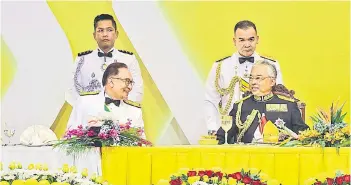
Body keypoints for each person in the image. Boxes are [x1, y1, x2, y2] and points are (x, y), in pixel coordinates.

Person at [205, 20, 284, 133]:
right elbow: (210, 99)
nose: (247, 44)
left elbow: (279, 99)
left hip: (263, 129)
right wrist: (212, 128)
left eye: (251, 39)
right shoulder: (220, 66)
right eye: (241, 40)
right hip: (229, 128)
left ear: (257, 39)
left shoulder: (272, 64)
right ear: (234, 41)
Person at [216, 60, 309, 144]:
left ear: (272, 81)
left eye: (258, 78)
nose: (253, 82)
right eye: (251, 78)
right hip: (247, 158)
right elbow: (223, 136)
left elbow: (303, 135)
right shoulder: (241, 106)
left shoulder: (289, 105)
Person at [66, 14, 143, 106]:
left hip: (121, 116)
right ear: (94, 35)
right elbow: (71, 90)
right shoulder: (82, 59)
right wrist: (85, 110)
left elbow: (137, 90)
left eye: (109, 30)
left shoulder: (128, 59)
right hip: (89, 116)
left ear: (116, 34)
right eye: (100, 30)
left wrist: (122, 111)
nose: (105, 34)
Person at [67, 62, 144, 131]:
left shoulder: (135, 112)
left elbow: (142, 144)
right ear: (111, 82)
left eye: (131, 83)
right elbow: (69, 137)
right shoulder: (84, 102)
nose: (130, 87)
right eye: (127, 81)